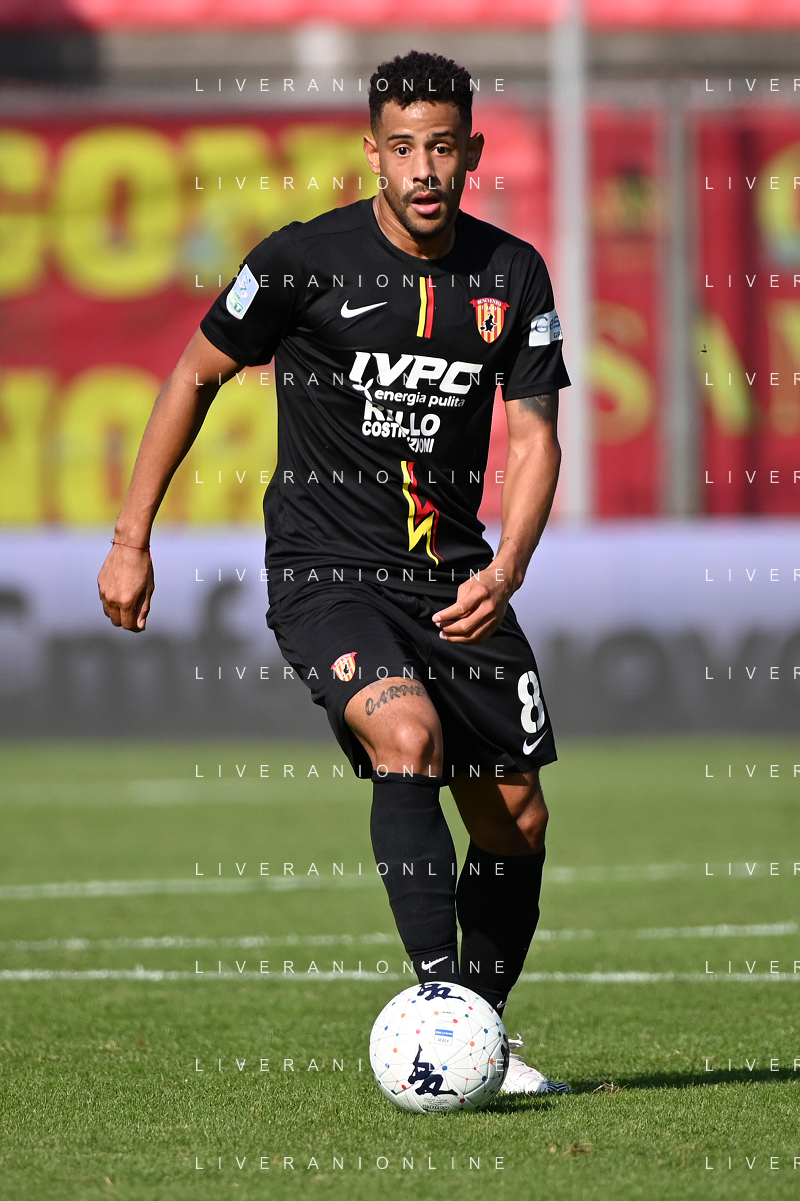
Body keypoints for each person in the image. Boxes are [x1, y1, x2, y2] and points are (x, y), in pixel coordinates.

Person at [98, 49, 571, 1095]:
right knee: (408, 737)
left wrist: (508, 567)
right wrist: (132, 536)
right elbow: (194, 374)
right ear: (372, 152)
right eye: (402, 148)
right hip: (327, 571)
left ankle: (479, 1035)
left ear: (471, 153)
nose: (422, 169)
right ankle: (439, 1005)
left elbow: (536, 437)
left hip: (456, 575)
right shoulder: (303, 261)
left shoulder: (511, 274)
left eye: (441, 148)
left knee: (516, 815)